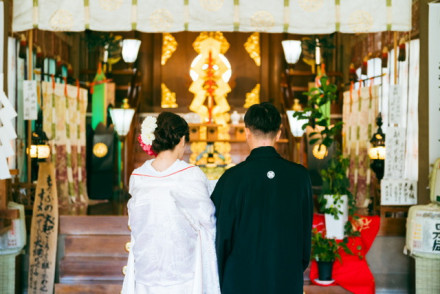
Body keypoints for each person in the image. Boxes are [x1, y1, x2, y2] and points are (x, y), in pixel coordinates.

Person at [211, 102, 313, 294]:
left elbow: (221, 236)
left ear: (247, 132)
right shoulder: (300, 177)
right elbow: (305, 233)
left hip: (240, 279)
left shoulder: (232, 178)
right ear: (279, 132)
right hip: (286, 276)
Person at [122, 112, 220, 294]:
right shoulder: (190, 174)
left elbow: (134, 221)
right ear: (182, 140)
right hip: (182, 270)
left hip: (145, 268)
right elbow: (208, 221)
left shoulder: (138, 176)